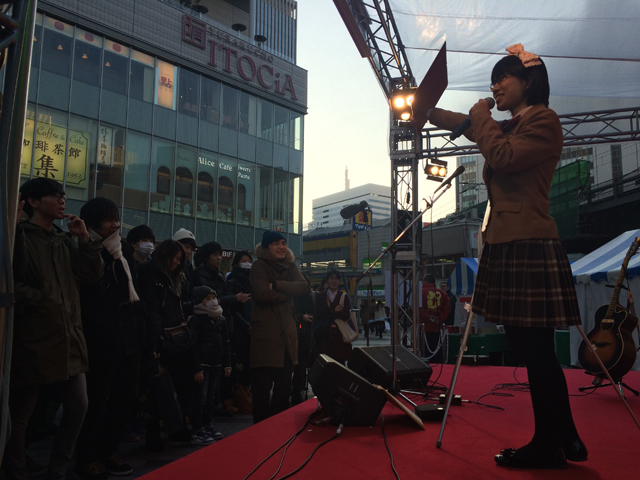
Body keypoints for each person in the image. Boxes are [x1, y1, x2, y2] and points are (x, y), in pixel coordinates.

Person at [420, 43, 585, 468]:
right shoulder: (509, 126)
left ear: (527, 81)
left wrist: (480, 115)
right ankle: (564, 437)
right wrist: (421, 108)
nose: (494, 86)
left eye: (502, 78)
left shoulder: (543, 120)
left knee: (534, 349)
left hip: (527, 242)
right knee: (531, 347)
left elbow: (502, 156)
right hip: (509, 242)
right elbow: (466, 124)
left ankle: (551, 443)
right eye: (493, 80)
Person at [4, 178, 104, 480]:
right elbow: (11, 283)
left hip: (68, 336)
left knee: (79, 405)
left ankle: (57, 471)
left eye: (63, 195)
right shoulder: (19, 236)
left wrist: (84, 240)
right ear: (33, 202)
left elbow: (90, 275)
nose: (62, 200)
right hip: (32, 338)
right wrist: (39, 298)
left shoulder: (62, 240)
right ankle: (15, 471)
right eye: (55, 196)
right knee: (21, 413)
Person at [75, 198, 145, 479]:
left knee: (122, 399)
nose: (115, 224)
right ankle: (87, 456)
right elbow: (88, 291)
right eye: (107, 219)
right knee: (95, 401)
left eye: (116, 218)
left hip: (128, 337)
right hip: (99, 337)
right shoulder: (83, 247)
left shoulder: (123, 249)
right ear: (93, 222)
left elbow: (134, 291)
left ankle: (108, 451)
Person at [137, 239, 196, 449]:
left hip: (175, 338)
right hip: (161, 340)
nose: (178, 263)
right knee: (158, 389)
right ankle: (155, 433)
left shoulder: (173, 278)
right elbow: (153, 311)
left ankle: (175, 428)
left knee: (176, 386)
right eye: (177, 258)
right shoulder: (150, 275)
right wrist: (152, 344)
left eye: (181, 260)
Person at [249, 231, 308, 423]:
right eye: (276, 243)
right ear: (266, 248)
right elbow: (263, 294)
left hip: (287, 338)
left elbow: (302, 287)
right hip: (266, 337)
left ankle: (277, 429)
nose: (282, 247)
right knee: (261, 391)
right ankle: (259, 431)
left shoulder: (290, 266)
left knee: (284, 390)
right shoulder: (259, 266)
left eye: (283, 243)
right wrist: (289, 293)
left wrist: (277, 284)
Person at [191, 242, 251, 414]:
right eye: (215, 254)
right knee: (207, 372)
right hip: (206, 328)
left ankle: (218, 405)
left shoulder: (219, 276)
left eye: (220, 254)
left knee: (223, 367)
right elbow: (214, 302)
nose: (218, 258)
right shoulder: (200, 276)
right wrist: (235, 299)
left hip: (222, 325)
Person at [188, 286, 231, 445]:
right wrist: (197, 368)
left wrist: (228, 364)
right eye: (207, 299)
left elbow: (226, 343)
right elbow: (193, 347)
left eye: (213, 297)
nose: (212, 301)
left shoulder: (220, 318)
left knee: (210, 398)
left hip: (216, 364)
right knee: (200, 398)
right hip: (203, 365)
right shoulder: (197, 320)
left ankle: (208, 425)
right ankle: (197, 429)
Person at [313, 269, 352, 364]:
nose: (334, 281)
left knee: (340, 362)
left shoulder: (343, 296)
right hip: (324, 334)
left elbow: (347, 315)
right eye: (331, 278)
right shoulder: (320, 296)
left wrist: (338, 312)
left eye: (336, 279)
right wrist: (331, 308)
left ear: (339, 281)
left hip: (339, 335)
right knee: (325, 362)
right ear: (327, 280)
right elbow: (318, 313)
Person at [290, 274, 316, 406]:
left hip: (306, 336)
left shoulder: (310, 296)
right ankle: (295, 393)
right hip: (294, 334)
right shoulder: (292, 297)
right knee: (294, 367)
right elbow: (289, 312)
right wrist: (301, 317)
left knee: (302, 367)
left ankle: (298, 392)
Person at [418, 274, 450, 362]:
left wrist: (428, 317)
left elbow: (418, 309)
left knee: (425, 352)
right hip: (438, 327)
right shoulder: (443, 293)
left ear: (425, 281)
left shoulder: (420, 292)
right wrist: (439, 319)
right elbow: (447, 309)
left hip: (424, 327)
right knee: (438, 352)